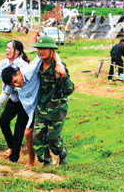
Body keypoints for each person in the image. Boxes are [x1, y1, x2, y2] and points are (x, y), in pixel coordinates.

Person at [0, 40, 33, 165]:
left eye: (9, 48)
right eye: (6, 48)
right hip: (13, 98)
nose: (7, 50)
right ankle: (12, 148)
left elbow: (8, 90)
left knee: (19, 129)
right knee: (3, 121)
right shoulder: (5, 63)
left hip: (24, 101)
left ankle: (13, 159)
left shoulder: (22, 66)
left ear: (17, 51)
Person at [32, 36, 75, 166]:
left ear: (52, 50)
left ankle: (63, 155)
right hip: (41, 108)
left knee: (53, 140)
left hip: (57, 110)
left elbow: (69, 90)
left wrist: (63, 74)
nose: (41, 51)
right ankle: (47, 163)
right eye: (39, 48)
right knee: (37, 139)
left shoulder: (59, 67)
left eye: (44, 48)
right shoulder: (37, 65)